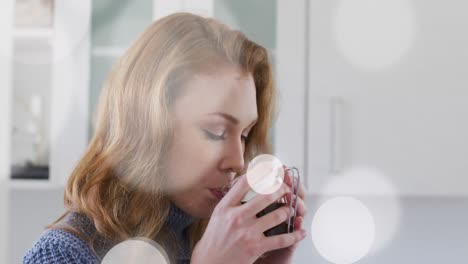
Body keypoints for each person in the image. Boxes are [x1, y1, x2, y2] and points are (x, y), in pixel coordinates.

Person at [23, 12, 308, 264]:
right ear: (147, 127)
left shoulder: (208, 246)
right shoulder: (62, 255)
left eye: (244, 135)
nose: (238, 160)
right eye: (216, 132)